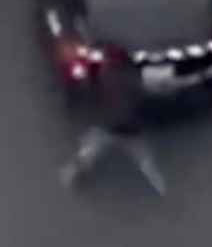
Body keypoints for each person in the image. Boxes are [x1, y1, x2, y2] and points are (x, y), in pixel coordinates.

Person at [60, 49, 167, 196]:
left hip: (109, 126)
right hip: (128, 130)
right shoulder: (131, 78)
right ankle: (161, 189)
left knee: (86, 153)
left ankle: (66, 181)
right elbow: (149, 91)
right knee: (146, 163)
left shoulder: (105, 74)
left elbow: (89, 90)